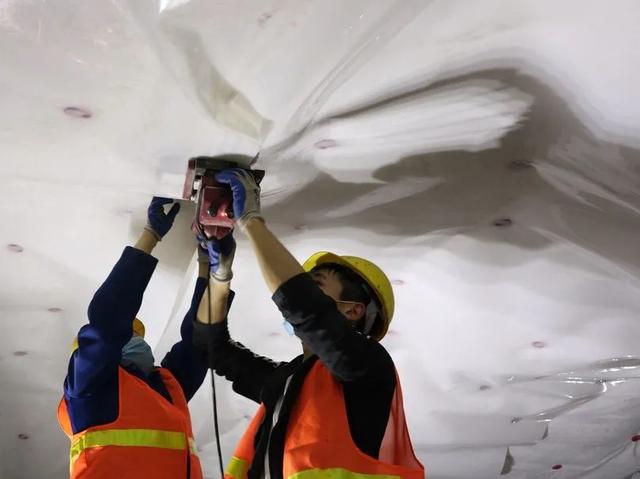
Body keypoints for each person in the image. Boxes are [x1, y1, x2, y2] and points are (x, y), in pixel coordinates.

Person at [194, 169, 425, 479]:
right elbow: (212, 347)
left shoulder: (369, 368)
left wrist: (251, 219)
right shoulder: (290, 382)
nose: (302, 295)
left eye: (316, 284)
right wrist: (220, 275)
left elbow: (306, 310)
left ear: (353, 311)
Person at [57, 197, 212, 479]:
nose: (139, 340)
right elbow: (201, 344)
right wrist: (212, 269)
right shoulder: (91, 392)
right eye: (130, 335)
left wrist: (151, 236)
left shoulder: (162, 388)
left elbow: (108, 320)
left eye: (134, 334)